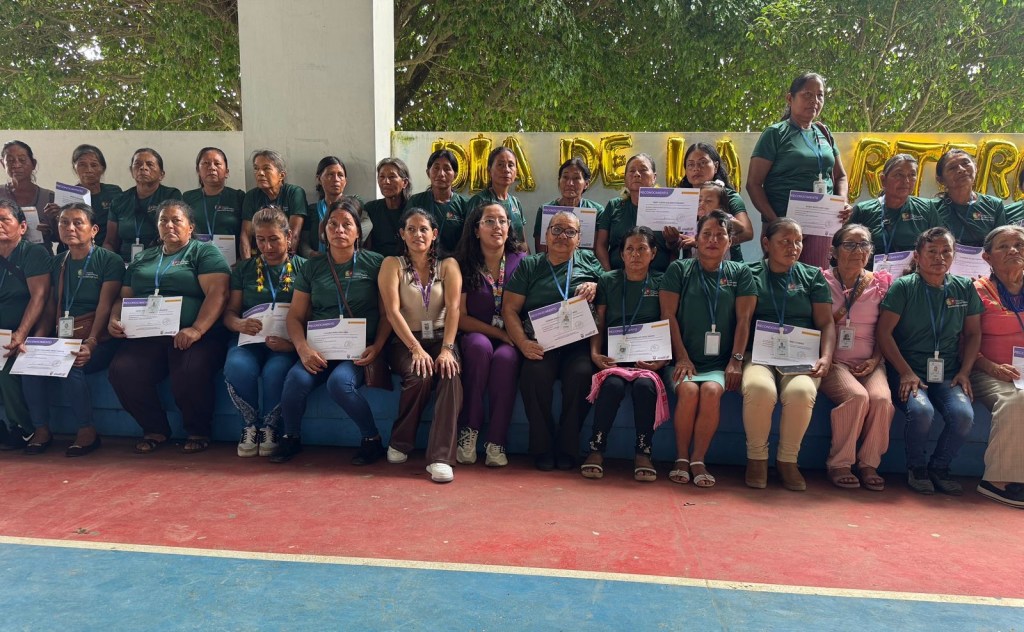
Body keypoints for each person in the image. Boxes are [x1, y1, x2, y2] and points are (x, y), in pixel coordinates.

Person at [107, 200, 231, 454]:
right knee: (122, 370)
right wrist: (114, 318)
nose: (169, 225)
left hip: (195, 334)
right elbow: (123, 297)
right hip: (147, 334)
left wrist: (196, 329)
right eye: (163, 220)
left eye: (176, 220)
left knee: (189, 369)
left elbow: (218, 293)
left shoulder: (204, 253)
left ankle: (198, 430)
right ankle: (155, 429)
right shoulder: (143, 257)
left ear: (190, 226)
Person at [273, 197, 391, 464]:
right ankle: (291, 437)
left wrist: (377, 347)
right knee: (295, 379)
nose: (339, 230)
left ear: (358, 231)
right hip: (320, 348)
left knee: (339, 383)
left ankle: (372, 439)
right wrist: (303, 349)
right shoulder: (312, 267)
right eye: (332, 224)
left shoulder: (376, 263)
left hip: (360, 349)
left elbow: (387, 315)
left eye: (347, 224)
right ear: (324, 231)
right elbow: (295, 316)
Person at [876, 227, 982, 495]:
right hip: (907, 371)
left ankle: (939, 467)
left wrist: (965, 372)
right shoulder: (904, 287)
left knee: (963, 416)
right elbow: (884, 333)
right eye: (932, 251)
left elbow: (973, 334)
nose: (939, 257)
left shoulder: (964, 287)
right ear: (917, 256)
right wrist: (905, 372)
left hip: (949, 373)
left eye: (946, 251)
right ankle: (917, 467)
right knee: (922, 412)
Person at [660, 211, 756, 487]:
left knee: (712, 391)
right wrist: (682, 357)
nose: (713, 240)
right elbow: (668, 315)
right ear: (697, 239)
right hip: (683, 359)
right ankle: (681, 457)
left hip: (719, 363)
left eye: (720, 235)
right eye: (707, 234)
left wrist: (736, 360)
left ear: (730, 241)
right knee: (689, 391)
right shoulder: (679, 270)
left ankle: (698, 459)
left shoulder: (741, 273)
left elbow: (744, 320)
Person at [502, 210, 603, 471]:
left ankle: (568, 447)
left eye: (570, 232)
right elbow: (509, 309)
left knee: (582, 375)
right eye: (556, 229)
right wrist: (523, 343)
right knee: (533, 375)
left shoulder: (589, 261)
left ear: (579, 239)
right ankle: (542, 447)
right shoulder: (530, 265)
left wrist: (596, 285)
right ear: (546, 234)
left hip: (577, 344)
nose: (562, 236)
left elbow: (609, 292)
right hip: (540, 342)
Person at [21, 203, 123, 455]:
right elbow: (50, 306)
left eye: (78, 223)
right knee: (28, 364)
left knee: (71, 365)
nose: (70, 228)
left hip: (98, 338)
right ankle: (41, 429)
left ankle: (87, 430)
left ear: (94, 229)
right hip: (63, 337)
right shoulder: (57, 262)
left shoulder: (109, 260)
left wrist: (91, 343)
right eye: (64, 223)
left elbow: (105, 306)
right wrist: (37, 341)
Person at [741, 218, 835, 491]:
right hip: (759, 354)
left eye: (798, 242)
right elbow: (742, 320)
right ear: (766, 243)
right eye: (784, 241)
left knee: (801, 392)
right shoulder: (750, 273)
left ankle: (787, 460)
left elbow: (826, 322)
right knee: (759, 389)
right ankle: (756, 458)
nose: (793, 247)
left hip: (801, 356)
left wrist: (826, 357)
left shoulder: (812, 276)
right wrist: (736, 359)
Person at [379, 207, 463, 483]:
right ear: (402, 234)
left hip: (441, 337)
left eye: (424, 229)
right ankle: (401, 441)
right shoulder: (392, 264)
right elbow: (392, 312)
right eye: (411, 229)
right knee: (420, 374)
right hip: (406, 339)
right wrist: (415, 348)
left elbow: (454, 309)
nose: (418, 234)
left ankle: (440, 458)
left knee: (450, 374)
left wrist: (448, 349)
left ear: (434, 234)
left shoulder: (448, 265)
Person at [583, 226, 668, 482]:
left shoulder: (662, 281)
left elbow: (670, 320)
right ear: (621, 254)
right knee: (612, 385)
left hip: (649, 358)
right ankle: (596, 448)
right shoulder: (608, 280)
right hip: (614, 358)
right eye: (629, 249)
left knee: (645, 387)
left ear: (653, 253)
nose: (635, 255)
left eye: (642, 249)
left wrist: (662, 360)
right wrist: (595, 353)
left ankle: (643, 452)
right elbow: (600, 320)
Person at [222, 207, 306, 457]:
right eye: (260, 240)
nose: (267, 247)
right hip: (249, 339)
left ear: (288, 237)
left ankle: (270, 427)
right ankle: (250, 425)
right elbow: (229, 313)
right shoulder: (244, 269)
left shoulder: (304, 268)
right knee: (237, 365)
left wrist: (291, 345)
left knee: (275, 370)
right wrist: (239, 324)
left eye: (274, 239)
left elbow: (311, 315)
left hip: (286, 342)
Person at [746, 72, 850, 268]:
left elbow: (841, 176)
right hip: (783, 229)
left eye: (820, 95)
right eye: (807, 94)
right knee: (783, 281)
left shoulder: (824, 133)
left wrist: (842, 202)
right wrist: (777, 223)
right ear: (790, 98)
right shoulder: (775, 134)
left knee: (816, 279)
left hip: (821, 226)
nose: (814, 101)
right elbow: (753, 184)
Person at [819, 225, 894, 490]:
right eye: (850, 244)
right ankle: (839, 463)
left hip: (870, 361)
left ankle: (869, 463)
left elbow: (886, 330)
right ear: (834, 251)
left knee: (882, 400)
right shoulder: (821, 281)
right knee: (857, 397)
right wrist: (826, 357)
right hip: (833, 361)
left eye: (864, 245)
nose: (858, 251)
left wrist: (876, 360)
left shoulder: (881, 284)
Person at [453, 202, 525, 467]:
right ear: (476, 229)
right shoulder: (462, 264)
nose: (497, 227)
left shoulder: (522, 260)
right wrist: (498, 333)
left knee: (506, 359)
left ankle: (497, 440)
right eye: (490, 221)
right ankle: (468, 431)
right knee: (478, 348)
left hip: (512, 335)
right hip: (476, 331)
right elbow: (460, 317)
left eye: (503, 221)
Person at [969, 226, 1024, 508]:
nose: (1013, 250)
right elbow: (962, 340)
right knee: (1016, 400)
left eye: (1019, 244)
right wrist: (990, 367)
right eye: (1003, 246)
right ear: (987, 257)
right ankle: (997, 481)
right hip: (986, 370)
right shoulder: (975, 290)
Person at [0, 200, 51, 450]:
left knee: (5, 368)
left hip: (24, 333)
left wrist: (20, 334)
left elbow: (39, 297)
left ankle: (24, 429)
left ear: (22, 227)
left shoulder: (33, 253)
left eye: (4, 219)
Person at [844, 154, 942, 269]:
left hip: (913, 276)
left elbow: (941, 245)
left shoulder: (926, 208)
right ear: (883, 180)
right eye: (899, 175)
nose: (906, 181)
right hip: (871, 276)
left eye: (912, 175)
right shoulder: (863, 210)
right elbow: (843, 249)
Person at [595, 153, 679, 272]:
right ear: (625, 179)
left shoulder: (668, 205)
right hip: (617, 276)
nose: (637, 174)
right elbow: (601, 245)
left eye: (643, 170)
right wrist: (608, 275)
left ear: (654, 177)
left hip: (659, 277)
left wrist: (673, 242)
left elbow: (675, 250)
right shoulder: (613, 206)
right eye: (632, 171)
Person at [103, 148, 183, 263]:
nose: (143, 168)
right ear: (132, 171)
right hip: (125, 263)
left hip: (160, 261)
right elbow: (110, 242)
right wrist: (111, 262)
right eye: (138, 164)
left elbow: (177, 235)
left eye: (149, 164)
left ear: (161, 175)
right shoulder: (119, 201)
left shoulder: (171, 195)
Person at [677, 142, 753, 261]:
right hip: (693, 266)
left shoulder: (729, 196)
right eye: (690, 164)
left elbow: (747, 233)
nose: (696, 168)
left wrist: (703, 244)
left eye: (702, 163)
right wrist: (672, 240)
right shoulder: (680, 198)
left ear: (716, 166)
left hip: (729, 265)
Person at [39, 144, 122, 251]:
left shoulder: (114, 192)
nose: (89, 170)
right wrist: (55, 220)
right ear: (75, 168)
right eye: (82, 165)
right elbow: (58, 237)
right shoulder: (66, 196)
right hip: (72, 252)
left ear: (102, 168)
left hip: (106, 250)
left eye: (94, 165)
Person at [182, 147, 245, 265]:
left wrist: (243, 261)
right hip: (196, 261)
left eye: (217, 164)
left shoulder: (239, 197)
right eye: (206, 163)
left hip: (233, 263)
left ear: (227, 172)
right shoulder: (187, 197)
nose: (212, 167)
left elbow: (246, 232)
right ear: (198, 170)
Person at [240, 150, 308, 258]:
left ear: (281, 175)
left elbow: (293, 234)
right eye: (256, 168)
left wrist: (284, 263)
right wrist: (247, 264)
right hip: (259, 259)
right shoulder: (251, 196)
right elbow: (245, 235)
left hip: (287, 258)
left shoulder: (294, 193)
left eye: (266, 168)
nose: (260, 173)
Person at [934, 149, 1008, 248]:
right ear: (941, 180)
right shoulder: (932, 207)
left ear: (976, 168)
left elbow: (1001, 243)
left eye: (965, 163)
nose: (961, 169)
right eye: (952, 168)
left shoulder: (994, 205)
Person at [532, 157, 604, 253]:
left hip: (585, 262)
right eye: (565, 177)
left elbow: (598, 249)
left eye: (576, 178)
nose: (570, 183)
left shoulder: (597, 211)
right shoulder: (545, 210)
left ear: (586, 184)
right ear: (559, 181)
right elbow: (541, 251)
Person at [408, 149, 470, 256]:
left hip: (455, 261)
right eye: (436, 168)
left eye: (447, 169)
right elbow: (408, 232)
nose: (441, 174)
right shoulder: (416, 201)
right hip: (422, 260)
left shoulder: (464, 204)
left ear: (455, 175)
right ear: (428, 172)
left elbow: (468, 241)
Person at [301, 156, 365, 257]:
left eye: (340, 175)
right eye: (330, 174)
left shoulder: (354, 204)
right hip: (317, 261)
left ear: (345, 181)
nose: (336, 179)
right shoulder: (312, 210)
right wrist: (312, 255)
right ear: (319, 179)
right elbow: (304, 242)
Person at [0, 141, 56, 252]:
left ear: (33, 164)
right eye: (10, 160)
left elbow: (63, 238)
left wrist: (49, 232)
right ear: (2, 163)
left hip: (41, 259)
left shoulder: (49, 197)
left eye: (22, 160)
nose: (16, 165)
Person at [467, 147, 527, 246]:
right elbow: (469, 240)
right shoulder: (479, 200)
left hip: (517, 256)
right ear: (489, 170)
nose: (506, 170)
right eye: (500, 165)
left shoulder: (515, 202)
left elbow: (523, 241)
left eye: (511, 165)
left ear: (516, 171)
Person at [365, 158, 413, 257]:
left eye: (392, 177)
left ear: (404, 183)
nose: (386, 182)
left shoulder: (413, 209)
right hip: (377, 262)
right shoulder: (371, 208)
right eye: (381, 177)